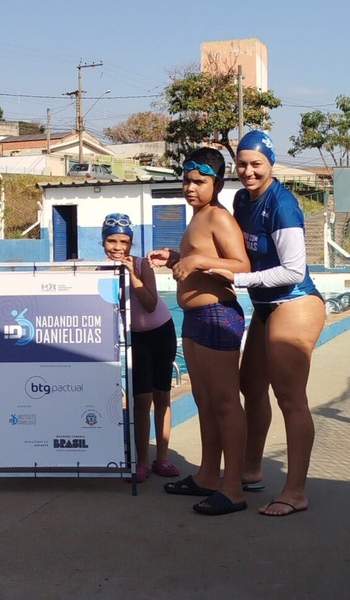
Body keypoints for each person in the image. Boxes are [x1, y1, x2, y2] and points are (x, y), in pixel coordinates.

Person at [209, 130, 324, 517]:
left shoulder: (282, 204)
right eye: (241, 164)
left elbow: (293, 270)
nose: (247, 171)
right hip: (265, 305)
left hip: (295, 302)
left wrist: (239, 281)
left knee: (290, 396)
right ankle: (251, 469)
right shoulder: (241, 200)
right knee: (250, 385)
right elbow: (233, 252)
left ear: (270, 165)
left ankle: (295, 491)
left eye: (256, 164)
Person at [147, 147, 251, 515]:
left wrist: (198, 260)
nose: (190, 187)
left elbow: (241, 265)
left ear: (218, 184)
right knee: (206, 402)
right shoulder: (199, 217)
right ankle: (208, 475)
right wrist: (176, 258)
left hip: (217, 315)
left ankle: (234, 487)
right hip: (196, 318)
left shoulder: (218, 217)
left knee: (224, 402)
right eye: (186, 180)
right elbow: (201, 262)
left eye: (199, 181)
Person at [100, 213, 179, 483]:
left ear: (131, 243)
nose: (118, 247)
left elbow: (150, 303)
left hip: (161, 331)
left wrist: (132, 275)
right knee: (140, 400)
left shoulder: (142, 264)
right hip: (137, 339)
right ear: (103, 242)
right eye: (112, 240)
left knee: (162, 396)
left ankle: (163, 458)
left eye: (124, 241)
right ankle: (141, 461)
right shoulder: (100, 270)